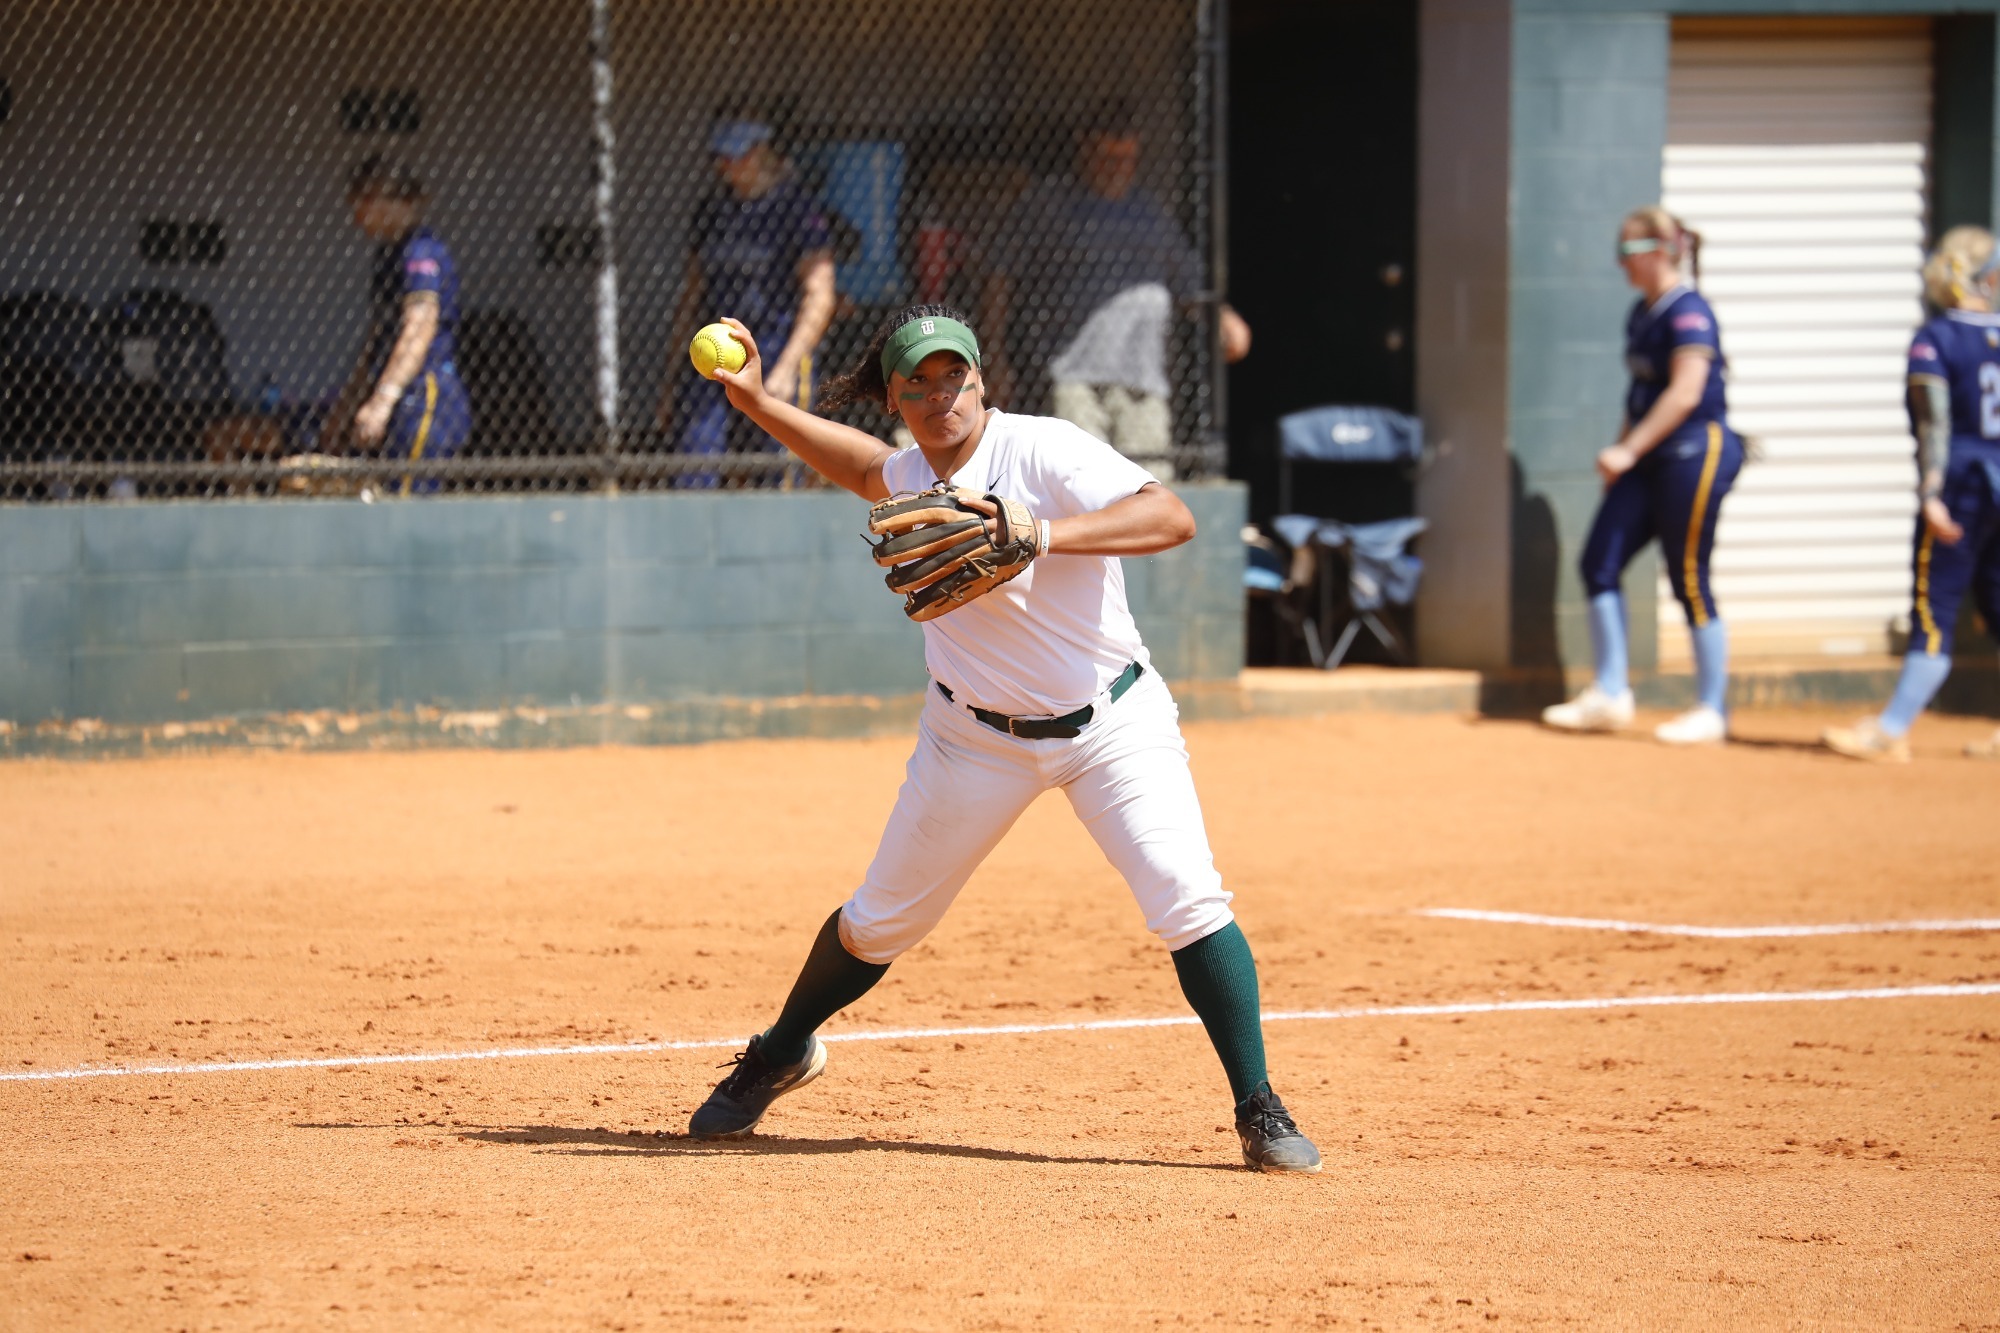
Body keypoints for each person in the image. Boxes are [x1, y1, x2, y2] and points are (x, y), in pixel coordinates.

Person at [679, 304, 1321, 1173]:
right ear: (897, 398)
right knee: (879, 922)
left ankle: (1259, 1104)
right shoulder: (905, 467)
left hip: (1112, 722)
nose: (943, 395)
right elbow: (865, 464)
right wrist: (756, 403)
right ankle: (783, 1047)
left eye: (957, 377)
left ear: (982, 382)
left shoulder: (1043, 449)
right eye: (921, 383)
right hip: (972, 739)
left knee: (1186, 896)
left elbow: (1171, 516)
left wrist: (1041, 533)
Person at [1542, 206, 1744, 746]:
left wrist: (1629, 449)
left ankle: (1711, 709)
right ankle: (1610, 693)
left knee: (1688, 577)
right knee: (1599, 564)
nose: (1621, 266)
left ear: (1659, 252)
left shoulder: (1689, 311)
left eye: (1627, 254)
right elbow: (1641, 396)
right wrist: (1621, 450)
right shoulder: (1641, 313)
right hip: (1646, 458)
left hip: (1695, 454)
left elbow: (1686, 392)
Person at [983, 102, 1250, 482]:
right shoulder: (1048, 204)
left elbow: (1189, 285)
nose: (1117, 168)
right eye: (1107, 156)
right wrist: (995, 356)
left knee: (1148, 492)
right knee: (1080, 489)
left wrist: (1223, 319)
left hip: (1142, 381)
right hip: (1072, 379)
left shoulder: (1150, 212)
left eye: (1126, 158)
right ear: (1084, 149)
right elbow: (999, 274)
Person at [1824, 227, 2000, 763]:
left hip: (1964, 485)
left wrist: (1931, 492)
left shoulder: (1938, 339)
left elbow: (1936, 427)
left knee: (1935, 608)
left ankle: (1890, 730)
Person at [656, 113, 835, 487]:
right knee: (694, 458)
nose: (728, 166)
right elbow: (693, 294)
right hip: (715, 349)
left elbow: (821, 294)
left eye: (738, 155)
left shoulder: (797, 210)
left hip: (775, 345)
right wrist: (673, 379)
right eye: (721, 157)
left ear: (761, 153)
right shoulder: (712, 211)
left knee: (777, 467)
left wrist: (787, 367)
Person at [329, 156, 471, 496]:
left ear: (384, 199)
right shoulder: (387, 255)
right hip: (398, 395)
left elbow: (419, 327)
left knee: (406, 506)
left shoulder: (420, 251)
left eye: (362, 202)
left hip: (425, 393)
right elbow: (378, 337)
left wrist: (383, 400)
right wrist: (348, 404)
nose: (356, 214)